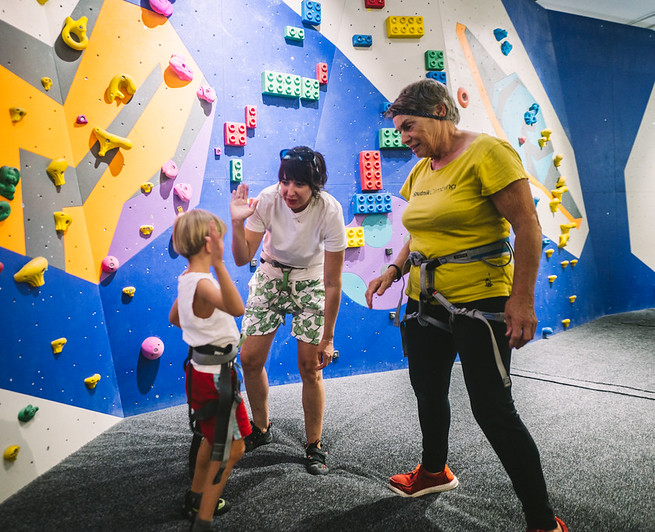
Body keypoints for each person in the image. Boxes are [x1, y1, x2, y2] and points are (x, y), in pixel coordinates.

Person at [365, 79, 567, 532]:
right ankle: (434, 471)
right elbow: (417, 231)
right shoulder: (421, 170)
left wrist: (523, 298)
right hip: (423, 301)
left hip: (481, 301)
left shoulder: (488, 153)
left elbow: (528, 227)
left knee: (492, 408)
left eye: (410, 127)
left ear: (440, 111)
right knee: (428, 389)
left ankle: (542, 520)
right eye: (400, 130)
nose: (405, 138)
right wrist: (394, 271)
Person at [229, 146, 346, 475]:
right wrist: (237, 225)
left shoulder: (329, 210)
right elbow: (241, 257)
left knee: (311, 368)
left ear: (315, 184)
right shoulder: (267, 199)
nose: (289, 191)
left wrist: (328, 338)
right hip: (269, 277)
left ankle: (314, 445)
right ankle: (262, 429)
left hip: (310, 282)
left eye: (299, 184)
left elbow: (334, 282)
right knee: (249, 360)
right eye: (285, 181)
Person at [169, 209, 251, 531]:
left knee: (209, 440)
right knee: (232, 447)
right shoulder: (203, 282)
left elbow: (175, 318)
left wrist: (201, 326)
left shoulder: (186, 279)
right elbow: (237, 307)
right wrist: (219, 264)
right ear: (209, 244)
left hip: (202, 373)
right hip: (217, 378)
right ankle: (203, 515)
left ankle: (195, 496)